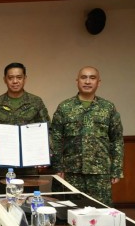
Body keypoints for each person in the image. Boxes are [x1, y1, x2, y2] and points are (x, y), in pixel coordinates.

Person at [51, 66, 123, 206]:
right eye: (83, 77)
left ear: (98, 82)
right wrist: (58, 167)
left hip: (100, 173)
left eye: (92, 78)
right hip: (71, 172)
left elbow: (117, 140)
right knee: (70, 212)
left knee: (102, 212)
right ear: (77, 81)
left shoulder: (108, 108)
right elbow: (56, 139)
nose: (88, 81)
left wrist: (116, 169)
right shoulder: (65, 107)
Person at [0, 62, 50, 178]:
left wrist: (45, 152)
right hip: (5, 162)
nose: (15, 81)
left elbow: (47, 128)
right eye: (10, 78)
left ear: (25, 79)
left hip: (31, 161)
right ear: (5, 79)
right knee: (5, 194)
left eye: (19, 77)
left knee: (30, 194)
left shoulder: (36, 101)